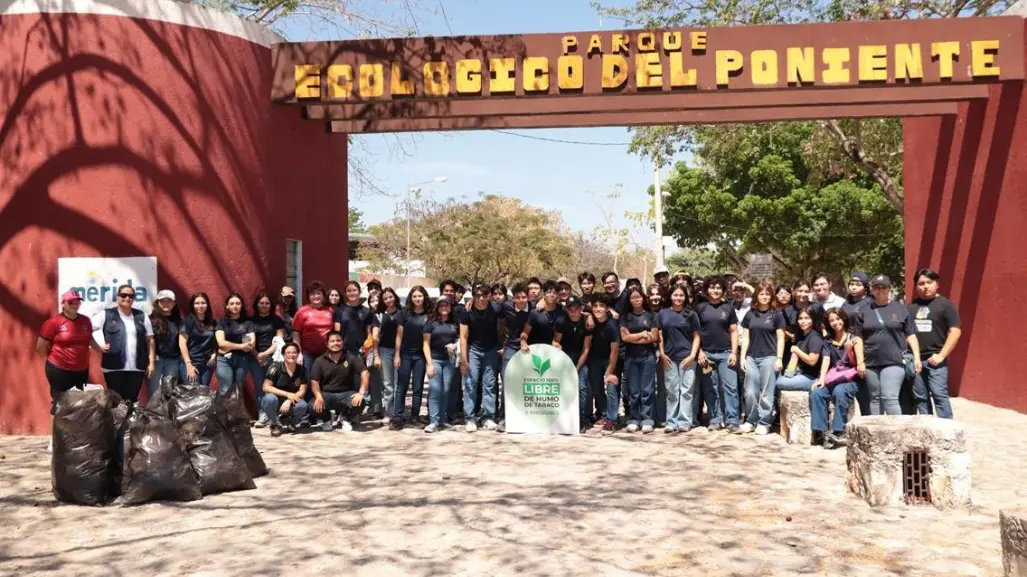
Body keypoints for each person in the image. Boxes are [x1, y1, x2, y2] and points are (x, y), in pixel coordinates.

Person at [859, 275, 921, 416]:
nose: (880, 290)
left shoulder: (901, 309)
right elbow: (858, 338)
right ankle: (877, 434)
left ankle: (897, 434)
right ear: (872, 290)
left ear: (889, 288)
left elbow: (911, 335)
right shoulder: (863, 310)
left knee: (889, 397)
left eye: (884, 287)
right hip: (870, 362)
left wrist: (917, 357)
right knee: (875, 399)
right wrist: (860, 361)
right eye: (877, 287)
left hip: (894, 361)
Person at [38, 290, 103, 414]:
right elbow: (41, 346)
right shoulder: (53, 323)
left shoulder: (85, 321)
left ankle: (75, 433)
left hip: (81, 369)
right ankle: (57, 433)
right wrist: (53, 359)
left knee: (80, 402)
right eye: (71, 301)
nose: (75, 304)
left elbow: (89, 339)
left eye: (78, 301)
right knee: (59, 403)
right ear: (63, 303)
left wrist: (100, 349)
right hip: (59, 370)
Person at [908, 268, 961, 419]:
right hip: (916, 360)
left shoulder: (946, 305)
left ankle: (947, 431)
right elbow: (907, 333)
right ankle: (928, 431)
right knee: (921, 397)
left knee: (939, 395)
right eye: (921, 283)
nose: (925, 286)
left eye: (929, 282)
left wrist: (941, 355)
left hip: (936, 360)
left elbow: (955, 331)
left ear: (937, 284)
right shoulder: (911, 306)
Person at [810, 309, 864, 449]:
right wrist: (821, 379)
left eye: (838, 319)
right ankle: (820, 432)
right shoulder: (828, 341)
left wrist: (849, 351)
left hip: (851, 380)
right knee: (817, 392)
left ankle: (839, 432)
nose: (836, 323)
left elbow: (856, 364)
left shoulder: (854, 339)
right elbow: (826, 360)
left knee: (840, 391)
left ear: (844, 319)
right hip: (834, 378)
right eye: (832, 320)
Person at [93, 284, 155, 403]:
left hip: (136, 367)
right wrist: (97, 347)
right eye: (123, 295)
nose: (127, 298)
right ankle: (116, 422)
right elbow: (88, 330)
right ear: (117, 296)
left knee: (131, 400)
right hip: (113, 367)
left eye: (131, 296)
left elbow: (150, 339)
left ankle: (128, 422)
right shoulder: (106, 314)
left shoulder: (142, 316)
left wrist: (151, 362)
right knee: (115, 401)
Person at [738, 280, 785, 435]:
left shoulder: (776, 315)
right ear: (756, 296)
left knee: (766, 392)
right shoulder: (750, 314)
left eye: (767, 294)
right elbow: (746, 338)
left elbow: (781, 338)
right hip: (752, 357)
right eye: (761, 294)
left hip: (769, 357)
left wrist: (779, 358)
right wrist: (743, 357)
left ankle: (764, 422)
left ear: (771, 296)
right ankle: (751, 420)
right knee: (750, 392)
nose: (764, 297)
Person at [696, 277, 740, 431]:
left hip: (726, 353)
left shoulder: (728, 308)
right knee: (710, 387)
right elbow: (695, 333)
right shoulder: (700, 308)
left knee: (730, 387)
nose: (715, 290)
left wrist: (734, 353)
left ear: (723, 290)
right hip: (706, 354)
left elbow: (734, 331)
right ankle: (715, 419)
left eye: (719, 288)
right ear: (707, 289)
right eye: (712, 287)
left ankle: (732, 420)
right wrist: (699, 352)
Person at [459, 284, 504, 431]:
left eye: (485, 295)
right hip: (473, 351)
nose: (481, 299)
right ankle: (470, 418)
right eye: (478, 296)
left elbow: (508, 317)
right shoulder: (467, 311)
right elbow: (463, 337)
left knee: (490, 385)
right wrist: (464, 360)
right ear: (473, 296)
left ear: (489, 296)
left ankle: (488, 417)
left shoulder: (496, 309)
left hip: (491, 350)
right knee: (470, 384)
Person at [658, 285, 702, 434]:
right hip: (669, 358)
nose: (678, 298)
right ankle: (671, 421)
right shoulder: (663, 314)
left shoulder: (691, 314)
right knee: (671, 391)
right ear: (670, 296)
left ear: (686, 297)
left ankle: (684, 421)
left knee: (687, 391)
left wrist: (692, 356)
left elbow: (696, 337)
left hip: (687, 358)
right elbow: (660, 336)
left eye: (681, 295)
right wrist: (662, 354)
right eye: (675, 295)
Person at [618, 286, 660, 434]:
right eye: (633, 297)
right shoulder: (625, 317)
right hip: (630, 357)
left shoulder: (651, 316)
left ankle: (647, 419)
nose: (636, 300)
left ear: (643, 298)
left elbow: (654, 337)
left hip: (648, 357)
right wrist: (643, 334)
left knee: (647, 390)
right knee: (633, 391)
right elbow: (624, 337)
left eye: (638, 296)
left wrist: (633, 338)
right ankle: (634, 418)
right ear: (629, 300)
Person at [310, 331, 369, 432]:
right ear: (327, 344)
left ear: (342, 342)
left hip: (345, 394)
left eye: (338, 340)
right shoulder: (319, 360)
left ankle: (345, 418)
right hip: (326, 395)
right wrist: (319, 397)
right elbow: (314, 381)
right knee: (312, 406)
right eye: (332, 341)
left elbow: (365, 372)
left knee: (360, 402)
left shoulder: (350, 357)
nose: (335, 343)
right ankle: (327, 419)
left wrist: (361, 393)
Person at [391, 285, 431, 429]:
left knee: (418, 388)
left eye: (420, 296)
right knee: (401, 387)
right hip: (405, 354)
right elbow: (399, 335)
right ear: (410, 298)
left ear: (424, 297)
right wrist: (397, 354)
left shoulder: (429, 314)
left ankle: (415, 416)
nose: (417, 299)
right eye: (414, 296)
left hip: (421, 356)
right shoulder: (404, 313)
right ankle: (398, 417)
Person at [554, 296, 593, 432]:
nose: (573, 312)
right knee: (563, 389)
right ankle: (565, 418)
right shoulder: (561, 321)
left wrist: (576, 368)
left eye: (576, 308)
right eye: (570, 309)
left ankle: (581, 419)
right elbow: (556, 341)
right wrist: (557, 346)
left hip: (581, 360)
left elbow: (586, 348)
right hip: (565, 360)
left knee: (582, 388)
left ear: (581, 309)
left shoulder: (586, 323)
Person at [249, 291, 287, 427]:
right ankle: (262, 414)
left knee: (273, 387)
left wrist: (265, 354)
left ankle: (274, 415)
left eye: (267, 303)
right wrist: (257, 355)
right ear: (256, 304)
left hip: (273, 357)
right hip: (255, 358)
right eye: (261, 303)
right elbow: (248, 341)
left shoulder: (276, 320)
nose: (264, 305)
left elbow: (279, 340)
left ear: (271, 305)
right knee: (259, 387)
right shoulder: (251, 321)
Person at [423, 297, 460, 433]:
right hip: (435, 360)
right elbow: (425, 344)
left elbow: (460, 339)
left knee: (445, 391)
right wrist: (429, 364)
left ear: (451, 307)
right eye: (441, 306)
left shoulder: (455, 323)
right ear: (437, 307)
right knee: (435, 390)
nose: (444, 308)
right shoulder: (431, 323)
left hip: (450, 360)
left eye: (447, 305)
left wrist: (455, 345)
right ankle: (433, 421)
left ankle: (442, 420)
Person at [260, 342, 310, 437]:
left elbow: (302, 391)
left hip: (290, 401)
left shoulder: (302, 370)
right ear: (283, 355)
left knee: (303, 405)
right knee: (269, 398)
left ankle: (289, 421)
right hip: (275, 400)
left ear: (298, 354)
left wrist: (289, 400)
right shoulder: (275, 367)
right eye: (288, 352)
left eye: (294, 352)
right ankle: (274, 424)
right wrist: (287, 394)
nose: (291, 355)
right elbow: (265, 387)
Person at [587, 296, 620, 435]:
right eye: (595, 306)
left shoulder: (612, 326)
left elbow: (615, 351)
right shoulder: (591, 320)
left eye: (601, 306)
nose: (598, 309)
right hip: (594, 359)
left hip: (609, 359)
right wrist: (589, 315)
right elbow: (580, 311)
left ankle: (612, 419)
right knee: (596, 388)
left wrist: (610, 371)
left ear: (607, 309)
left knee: (611, 386)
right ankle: (605, 414)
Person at [214, 293, 255, 396]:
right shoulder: (221, 322)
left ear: (241, 305)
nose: (235, 306)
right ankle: (224, 412)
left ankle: (235, 412)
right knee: (225, 388)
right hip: (224, 360)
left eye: (238, 303)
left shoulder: (248, 322)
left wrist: (230, 346)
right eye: (232, 303)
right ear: (227, 306)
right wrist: (241, 346)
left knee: (238, 389)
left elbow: (252, 344)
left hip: (243, 360)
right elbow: (221, 343)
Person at [775, 308, 824, 392]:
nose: (803, 321)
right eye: (800, 318)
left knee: (778, 382)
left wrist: (797, 350)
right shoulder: (801, 335)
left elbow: (812, 361)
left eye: (807, 318)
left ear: (813, 319)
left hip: (809, 377)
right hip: (796, 373)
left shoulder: (815, 337)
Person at [292, 281, 334, 375]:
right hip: (307, 354)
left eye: (319, 293)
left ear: (323, 295)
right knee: (307, 381)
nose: (316, 296)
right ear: (308, 296)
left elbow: (335, 332)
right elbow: (296, 333)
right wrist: (298, 353)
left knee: (325, 381)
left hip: (327, 353)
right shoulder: (302, 311)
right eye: (312, 294)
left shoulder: (330, 311)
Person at [147, 290, 182, 398]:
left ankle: (167, 414)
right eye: (163, 301)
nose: (166, 303)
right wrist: (150, 362)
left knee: (170, 391)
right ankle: (153, 414)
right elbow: (148, 342)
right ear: (157, 303)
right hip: (156, 361)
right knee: (154, 392)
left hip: (173, 360)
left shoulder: (179, 321)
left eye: (169, 301)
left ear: (174, 303)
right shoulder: (150, 320)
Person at [179, 292, 217, 386]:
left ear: (207, 304)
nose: (200, 306)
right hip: (191, 363)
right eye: (197, 303)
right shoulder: (187, 321)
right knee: (192, 395)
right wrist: (188, 364)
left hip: (207, 365)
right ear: (193, 305)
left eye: (203, 303)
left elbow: (215, 341)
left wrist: (214, 354)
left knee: (203, 395)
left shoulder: (212, 322)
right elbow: (182, 344)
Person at [376, 288, 402, 425]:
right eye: (385, 298)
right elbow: (376, 336)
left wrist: (398, 353)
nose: (388, 300)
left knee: (398, 383)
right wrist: (376, 354)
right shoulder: (380, 314)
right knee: (387, 383)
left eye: (390, 297)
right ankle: (388, 412)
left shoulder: (402, 313)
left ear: (394, 297)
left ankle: (398, 412)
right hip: (385, 350)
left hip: (400, 351)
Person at [334, 280, 379, 357]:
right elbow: (337, 332)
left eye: (354, 290)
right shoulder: (340, 310)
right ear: (345, 293)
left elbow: (368, 333)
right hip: (344, 351)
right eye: (349, 291)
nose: (352, 293)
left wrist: (367, 347)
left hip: (360, 352)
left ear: (359, 292)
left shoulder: (366, 311)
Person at [520, 281, 564, 347]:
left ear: (558, 295)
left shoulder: (562, 312)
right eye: (549, 292)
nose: (552, 295)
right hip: (534, 349)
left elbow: (557, 339)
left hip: (552, 350)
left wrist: (556, 344)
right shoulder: (535, 312)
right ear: (544, 295)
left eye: (555, 293)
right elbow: (525, 332)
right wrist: (523, 341)